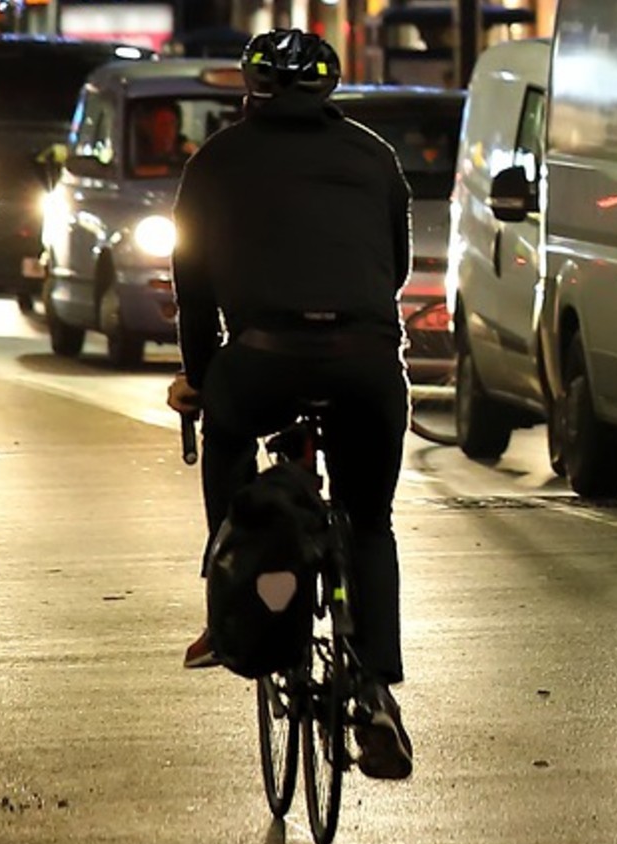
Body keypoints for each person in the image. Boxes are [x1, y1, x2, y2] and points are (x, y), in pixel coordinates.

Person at [164, 29, 416, 781]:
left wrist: (201, 378)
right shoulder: (375, 155)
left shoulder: (214, 162)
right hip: (367, 363)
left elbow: (193, 290)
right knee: (369, 522)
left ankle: (226, 603)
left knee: (232, 446)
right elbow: (394, 268)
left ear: (251, 89)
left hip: (262, 360)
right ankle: (373, 686)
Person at [130, 101, 195, 178]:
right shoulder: (136, 149)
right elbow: (134, 171)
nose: (169, 130)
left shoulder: (186, 149)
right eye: (163, 124)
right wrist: (171, 170)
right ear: (151, 128)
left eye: (172, 123)